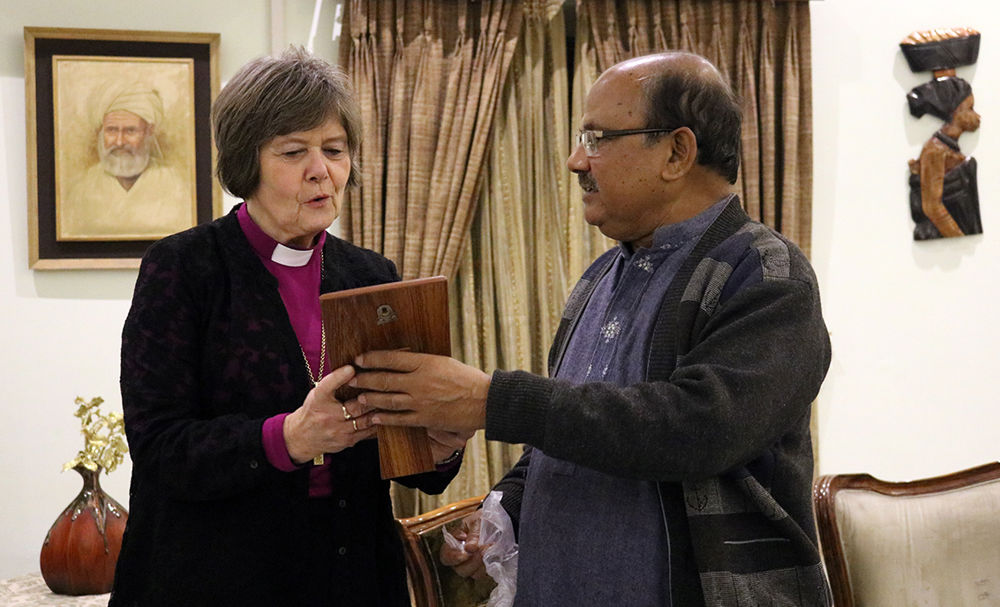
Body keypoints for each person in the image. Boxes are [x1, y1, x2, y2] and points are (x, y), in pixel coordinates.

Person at [347, 51, 832, 606]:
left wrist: (490, 401)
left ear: (677, 152)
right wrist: (505, 515)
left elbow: (699, 428)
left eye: (597, 139)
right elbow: (566, 439)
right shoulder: (600, 276)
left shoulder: (766, 273)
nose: (576, 161)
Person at [110, 48, 470, 606]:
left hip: (352, 575)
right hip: (218, 578)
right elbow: (159, 448)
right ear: (246, 162)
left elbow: (408, 461)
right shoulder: (183, 268)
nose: (321, 170)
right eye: (294, 151)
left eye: (335, 149)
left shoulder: (370, 275)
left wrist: (440, 443)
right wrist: (290, 438)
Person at [62, 82, 193, 240]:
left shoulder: (175, 186)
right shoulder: (81, 189)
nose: (119, 142)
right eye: (111, 130)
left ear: (148, 132)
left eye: (130, 130)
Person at [906, 76, 982, 240]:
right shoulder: (935, 151)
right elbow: (932, 206)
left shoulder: (949, 148)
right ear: (954, 113)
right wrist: (958, 236)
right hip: (945, 239)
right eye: (970, 109)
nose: (977, 116)